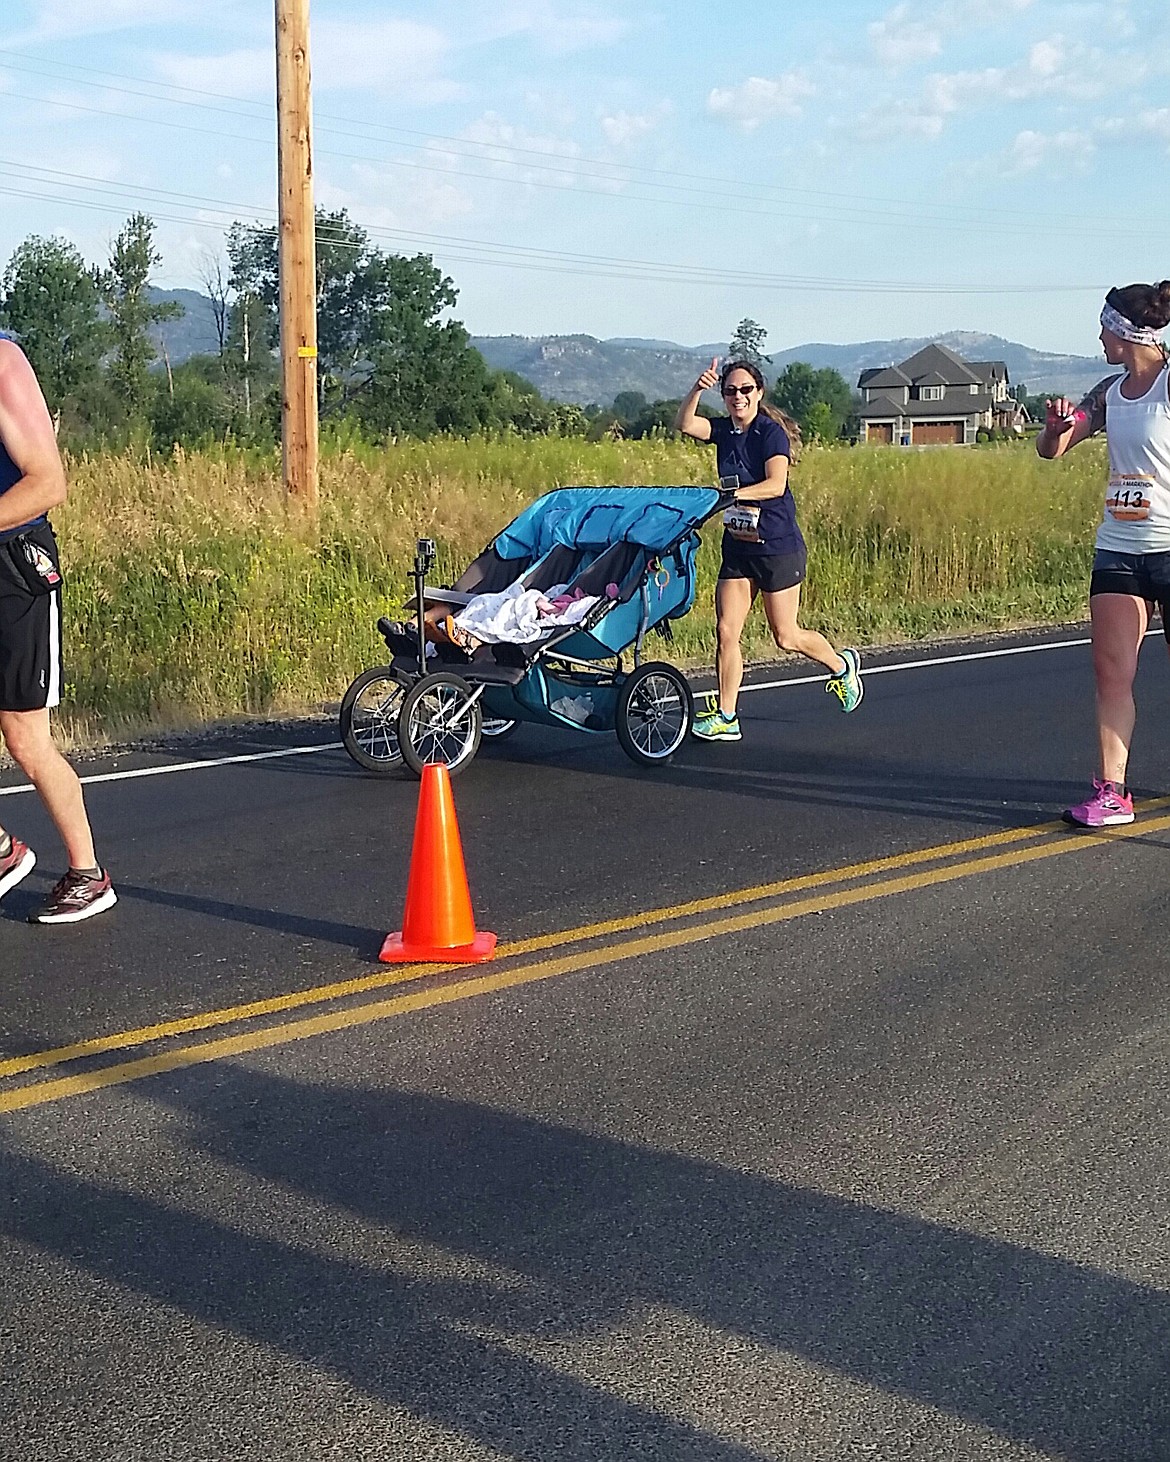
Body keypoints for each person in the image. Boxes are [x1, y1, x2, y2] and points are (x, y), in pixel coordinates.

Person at [1037, 279, 1170, 827]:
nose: (1098, 338)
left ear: (1124, 331)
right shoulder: (1108, 393)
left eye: (1104, 328)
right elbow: (1053, 450)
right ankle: (1112, 791)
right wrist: (1055, 428)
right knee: (1111, 672)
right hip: (1119, 547)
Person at [674, 357, 863, 741]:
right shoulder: (725, 430)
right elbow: (686, 424)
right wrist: (698, 389)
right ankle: (727, 716)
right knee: (727, 631)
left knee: (786, 636)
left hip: (777, 546)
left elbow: (776, 484)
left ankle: (841, 666)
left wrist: (730, 496)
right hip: (739, 546)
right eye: (730, 391)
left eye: (745, 390)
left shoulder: (769, 433)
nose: (737, 397)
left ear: (759, 393)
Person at [0, 332, 115, 922]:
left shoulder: (3, 361)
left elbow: (48, 483)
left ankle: (88, 873)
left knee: (24, 736)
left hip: (13, 566)